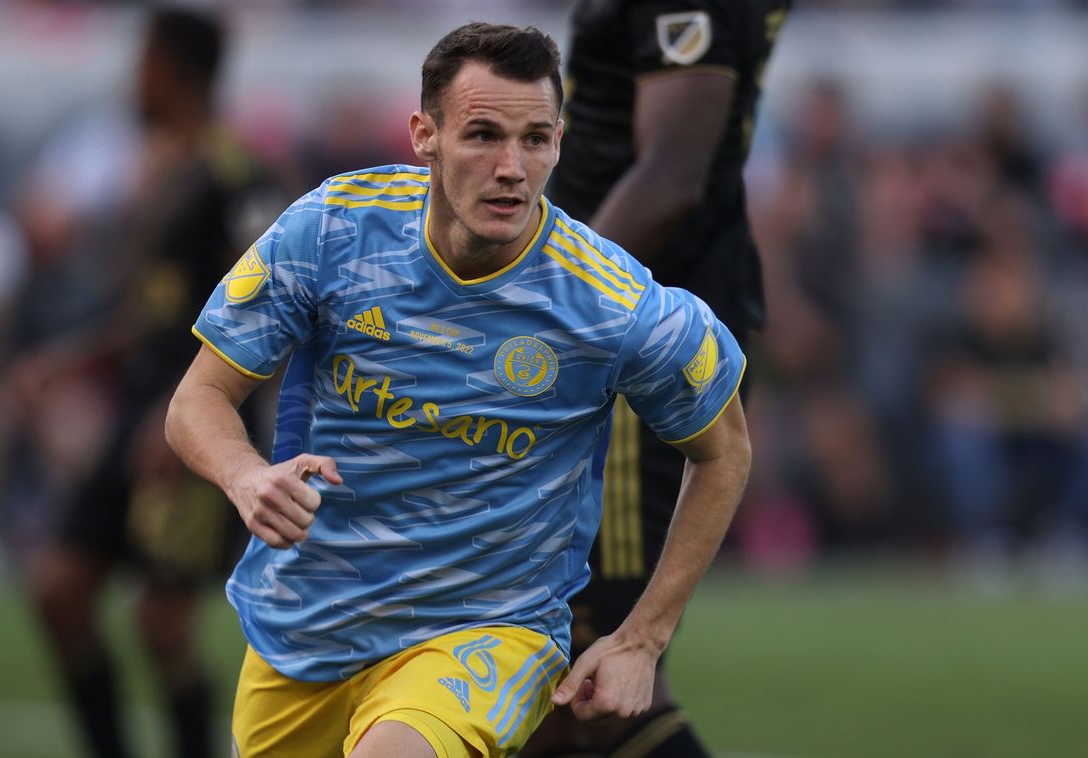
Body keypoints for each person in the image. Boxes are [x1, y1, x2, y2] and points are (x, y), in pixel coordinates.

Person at [164, 22, 751, 758]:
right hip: (304, 627)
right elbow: (197, 399)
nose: (511, 167)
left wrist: (642, 637)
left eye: (535, 139)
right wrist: (244, 475)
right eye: (482, 135)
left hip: (486, 635)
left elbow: (723, 449)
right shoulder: (330, 231)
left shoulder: (613, 305)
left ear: (558, 142)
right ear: (424, 135)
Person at [524, 2, 789, 755]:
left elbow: (672, 173)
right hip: (629, 335)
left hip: (633, 355)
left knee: (592, 679)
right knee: (540, 686)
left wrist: (545, 309)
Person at [22, 8, 277, 757]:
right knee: (59, 592)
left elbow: (268, 308)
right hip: (137, 406)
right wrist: (72, 358)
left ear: (174, 70)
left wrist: (202, 419)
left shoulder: (235, 175)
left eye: (143, 61)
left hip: (195, 416)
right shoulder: (161, 169)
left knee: (160, 624)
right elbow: (153, 311)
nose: (133, 77)